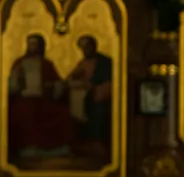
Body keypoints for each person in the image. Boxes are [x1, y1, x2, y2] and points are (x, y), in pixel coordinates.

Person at [7, 34, 72, 162]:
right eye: (30, 43)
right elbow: (11, 85)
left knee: (62, 113)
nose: (32, 46)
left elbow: (58, 83)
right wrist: (17, 79)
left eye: (35, 44)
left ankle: (55, 150)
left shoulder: (47, 64)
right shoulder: (19, 63)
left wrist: (53, 88)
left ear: (40, 46)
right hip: (23, 98)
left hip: (44, 99)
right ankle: (28, 148)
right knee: (24, 112)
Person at [67, 34, 113, 158]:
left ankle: (97, 145)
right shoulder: (83, 62)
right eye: (82, 48)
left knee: (98, 111)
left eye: (87, 47)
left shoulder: (104, 61)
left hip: (102, 95)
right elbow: (72, 77)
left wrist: (92, 86)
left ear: (93, 46)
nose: (85, 50)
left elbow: (107, 82)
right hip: (86, 95)